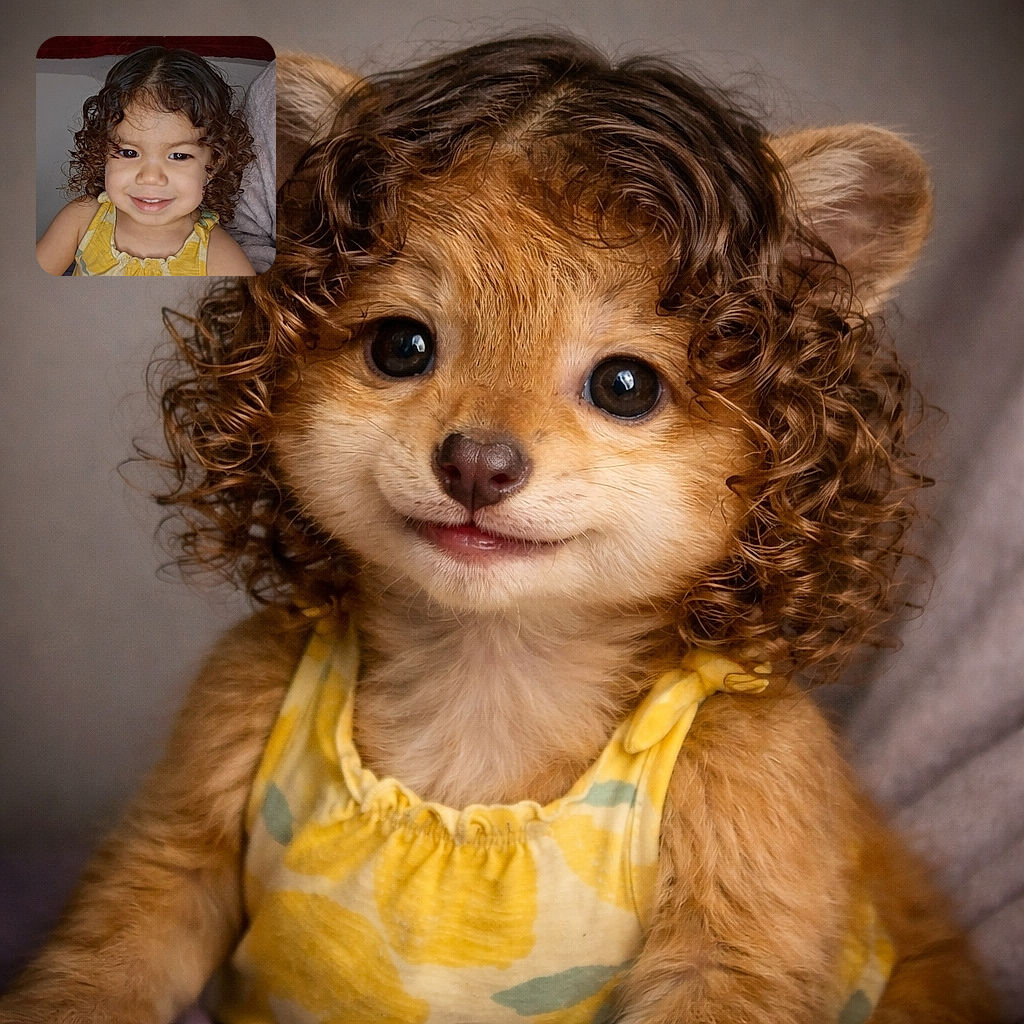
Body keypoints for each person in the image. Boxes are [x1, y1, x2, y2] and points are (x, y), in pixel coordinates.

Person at [36, 46, 256, 276]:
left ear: (214, 163)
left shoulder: (221, 258)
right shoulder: (81, 219)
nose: (150, 177)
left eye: (179, 156)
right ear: (102, 151)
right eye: (129, 153)